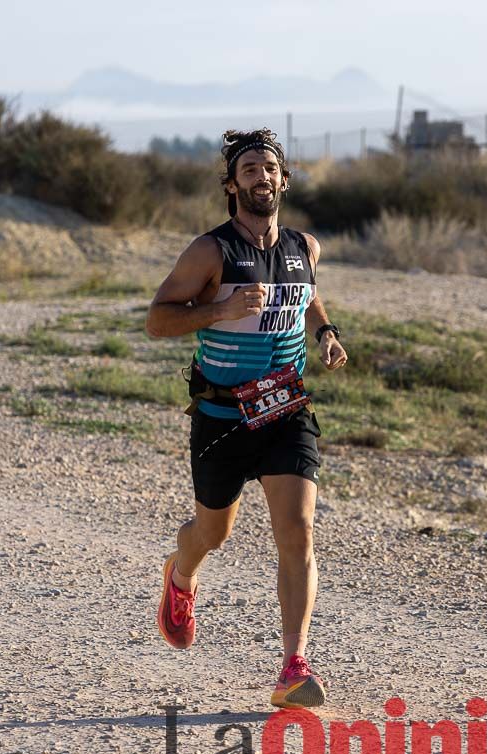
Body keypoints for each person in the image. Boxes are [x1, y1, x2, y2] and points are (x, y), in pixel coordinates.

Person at [145, 129, 348, 709]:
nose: (262, 176)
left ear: (284, 180)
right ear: (232, 185)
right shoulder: (210, 252)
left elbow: (306, 295)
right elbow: (158, 320)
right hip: (221, 416)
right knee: (214, 533)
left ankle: (292, 666)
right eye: (250, 168)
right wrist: (221, 310)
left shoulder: (304, 248)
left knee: (299, 530)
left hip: (285, 410)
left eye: (271, 167)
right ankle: (180, 575)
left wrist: (326, 334)